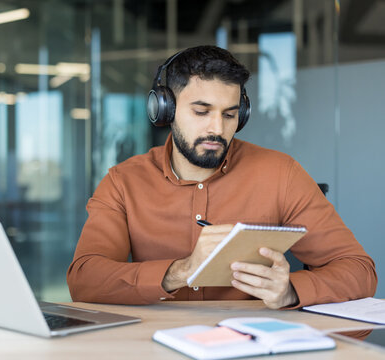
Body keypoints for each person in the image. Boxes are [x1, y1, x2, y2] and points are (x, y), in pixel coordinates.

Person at [66, 45, 377, 309]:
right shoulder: (123, 182)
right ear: (165, 109)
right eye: (201, 112)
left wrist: (290, 290)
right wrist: (182, 270)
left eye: (229, 115)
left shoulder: (281, 174)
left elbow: (360, 271)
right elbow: (85, 280)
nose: (217, 128)